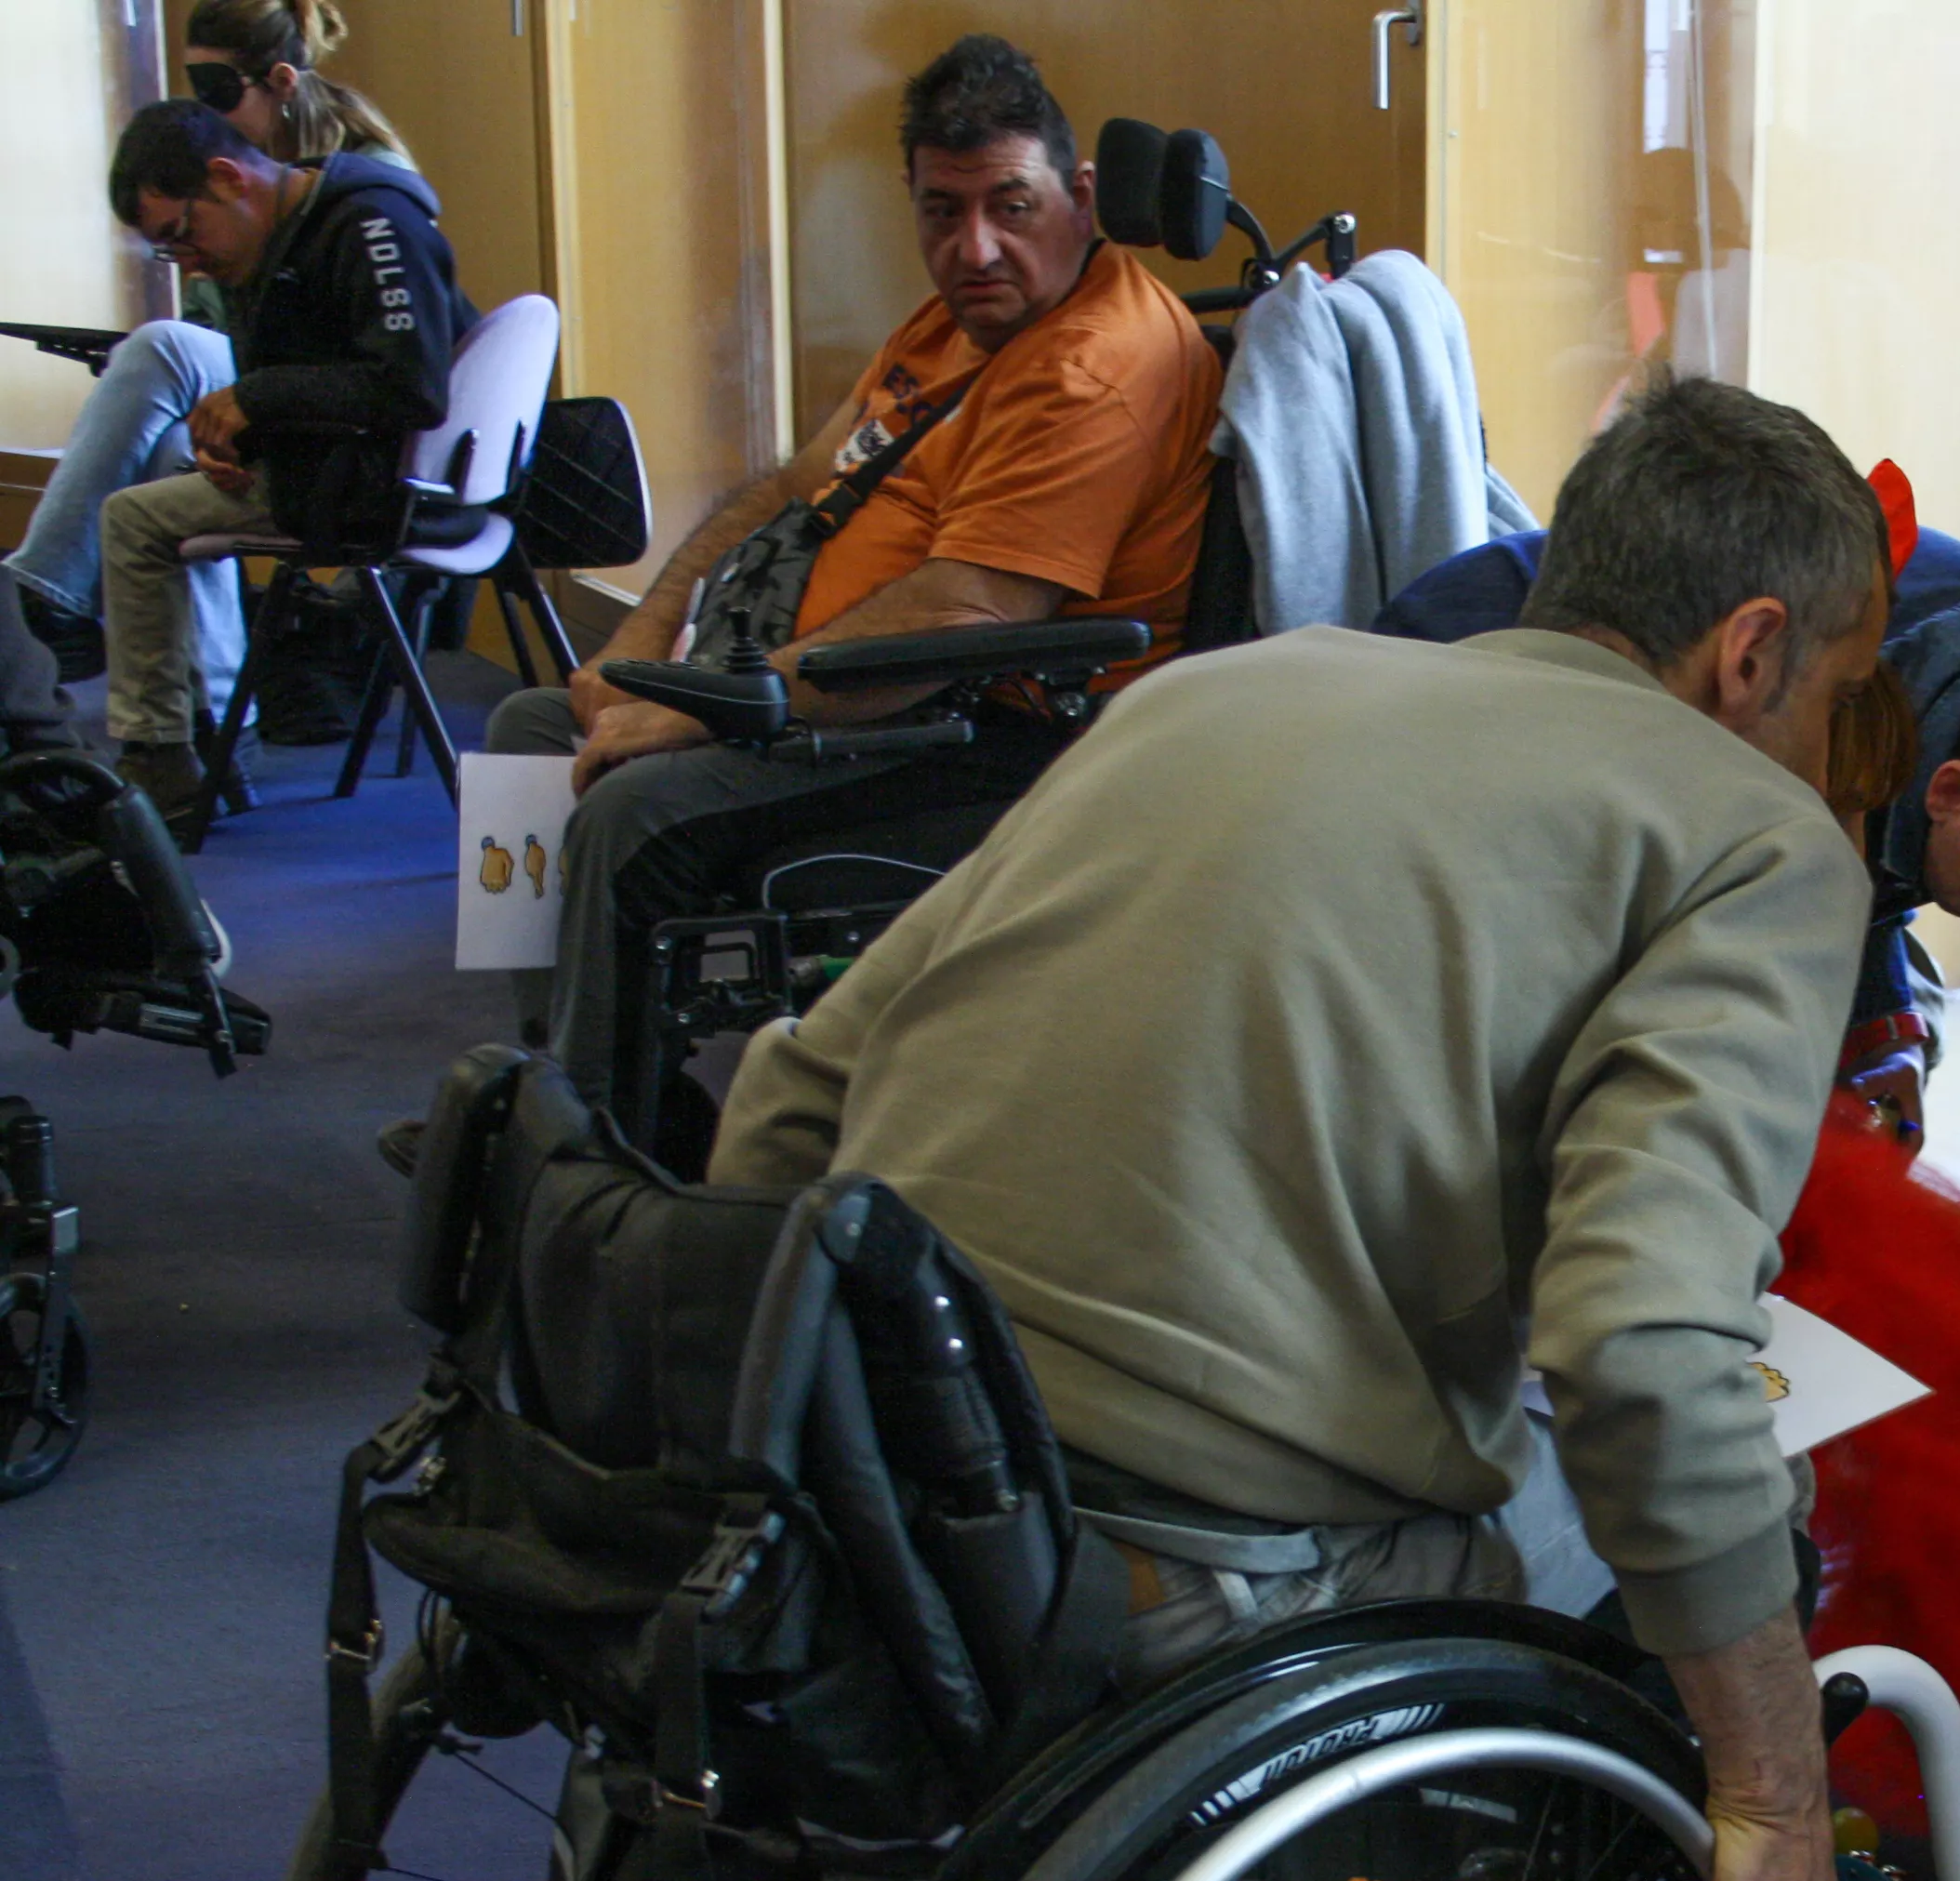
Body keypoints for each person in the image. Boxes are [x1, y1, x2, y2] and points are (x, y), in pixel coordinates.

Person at [709, 370, 1882, 1881]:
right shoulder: (1747, 838)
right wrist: (1770, 1797)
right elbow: (1638, 1350)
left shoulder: (1216, 690)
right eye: (1834, 702)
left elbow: (790, 1092)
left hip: (894, 1477)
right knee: (1725, 1560)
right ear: (1755, 650)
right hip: (1208, 1572)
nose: (1824, 751)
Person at [466, 33, 1219, 1131]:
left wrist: (701, 718)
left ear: (1083, 196)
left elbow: (970, 613)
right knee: (534, 729)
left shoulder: (1090, 368)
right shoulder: (955, 324)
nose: (975, 249)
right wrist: (642, 654)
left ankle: (584, 1160)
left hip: (991, 723)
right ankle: (587, 1079)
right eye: (940, 211)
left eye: (1012, 206)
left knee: (634, 816)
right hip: (839, 689)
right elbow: (794, 487)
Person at [1379, 517, 1960, 1146]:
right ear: (1952, 790)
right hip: (1450, 692)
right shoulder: (1805, 739)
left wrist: (1891, 1049)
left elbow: (1868, 899)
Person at [8, 2, 416, 711]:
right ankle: (217, 721)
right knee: (171, 455)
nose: (208, 109)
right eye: (197, 89)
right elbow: (216, 312)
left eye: (220, 91)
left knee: (161, 346)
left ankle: (40, 597)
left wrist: (247, 401)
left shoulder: (362, 188)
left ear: (281, 82)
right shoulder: (223, 178)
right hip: (262, 378)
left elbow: (373, 354)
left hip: (334, 410)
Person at [95, 100, 470, 848]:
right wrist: (248, 436)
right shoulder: (295, 233)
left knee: (132, 521)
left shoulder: (369, 225)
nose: (189, 262)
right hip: (356, 467)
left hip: (380, 486)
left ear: (228, 178)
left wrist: (257, 399)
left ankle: (165, 759)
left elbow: (412, 389)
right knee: (177, 492)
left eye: (181, 236)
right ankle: (208, 746)